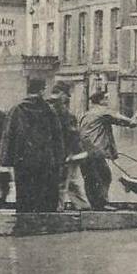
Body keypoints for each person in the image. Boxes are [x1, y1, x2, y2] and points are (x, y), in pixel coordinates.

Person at [0, 78, 65, 213]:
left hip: (23, 161)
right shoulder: (49, 110)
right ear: (41, 90)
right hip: (45, 160)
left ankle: (24, 224)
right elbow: (58, 137)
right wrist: (59, 159)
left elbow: (8, 136)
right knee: (45, 194)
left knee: (24, 194)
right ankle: (44, 226)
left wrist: (5, 160)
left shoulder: (17, 109)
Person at [79, 89, 137, 209]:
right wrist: (132, 122)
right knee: (105, 176)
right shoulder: (102, 111)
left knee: (90, 178)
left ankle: (94, 204)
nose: (107, 101)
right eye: (106, 98)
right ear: (100, 101)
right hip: (95, 150)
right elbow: (119, 118)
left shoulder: (86, 114)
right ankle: (102, 204)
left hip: (84, 151)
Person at [48, 83, 90, 211]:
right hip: (66, 153)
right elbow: (72, 134)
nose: (68, 98)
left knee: (69, 181)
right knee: (68, 182)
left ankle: (68, 207)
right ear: (62, 94)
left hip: (59, 153)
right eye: (66, 95)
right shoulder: (64, 113)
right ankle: (78, 207)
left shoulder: (49, 110)